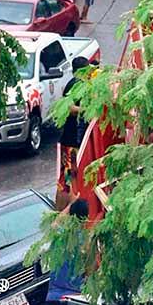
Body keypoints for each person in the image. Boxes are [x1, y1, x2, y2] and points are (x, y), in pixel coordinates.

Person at [32, 199, 90, 305]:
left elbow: (55, 222)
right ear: (86, 217)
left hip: (55, 298)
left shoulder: (59, 235)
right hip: (77, 302)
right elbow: (90, 270)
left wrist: (70, 205)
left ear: (71, 215)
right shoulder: (86, 241)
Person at [55, 60, 97, 208]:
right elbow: (68, 107)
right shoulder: (75, 84)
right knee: (68, 180)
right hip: (71, 141)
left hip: (75, 141)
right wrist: (86, 111)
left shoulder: (81, 84)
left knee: (72, 179)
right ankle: (61, 212)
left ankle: (64, 212)